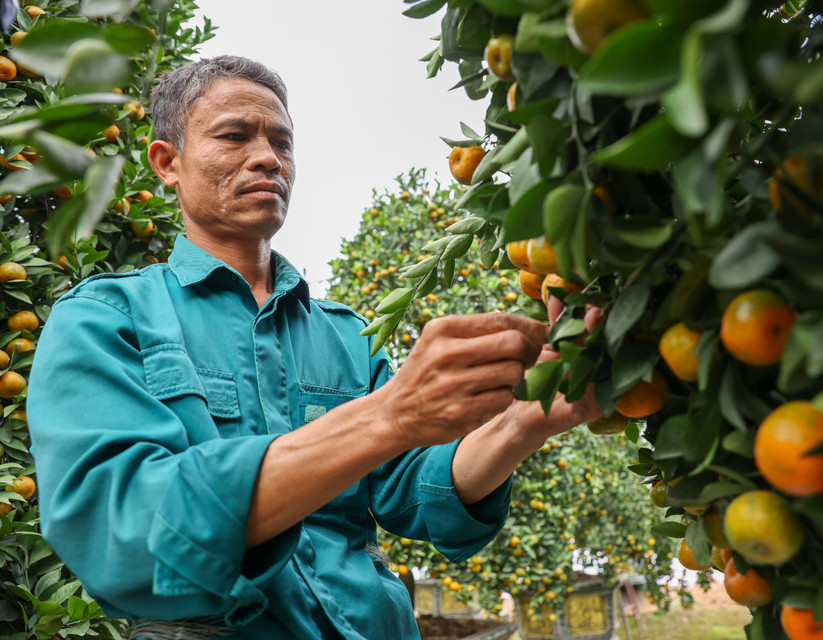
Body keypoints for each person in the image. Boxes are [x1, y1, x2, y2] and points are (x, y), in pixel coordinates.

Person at [27, 56, 601, 639]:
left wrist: (522, 423)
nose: (268, 158)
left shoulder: (347, 337)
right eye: (234, 135)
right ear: (167, 163)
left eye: (282, 142)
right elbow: (121, 527)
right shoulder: (106, 320)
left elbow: (415, 490)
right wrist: (390, 415)